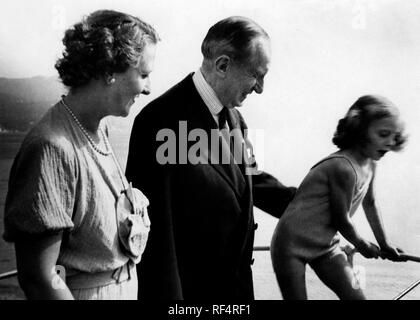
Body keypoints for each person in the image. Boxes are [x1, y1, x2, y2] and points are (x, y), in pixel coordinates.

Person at [125, 16, 296, 300]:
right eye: (256, 74)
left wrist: (316, 203)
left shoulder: (235, 120)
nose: (261, 88)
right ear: (223, 65)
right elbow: (157, 241)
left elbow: (250, 181)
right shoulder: (159, 121)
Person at [3, 10, 159, 300]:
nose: (148, 88)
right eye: (143, 75)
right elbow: (39, 277)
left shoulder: (99, 130)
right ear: (109, 70)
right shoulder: (52, 146)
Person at [270, 95, 408, 300]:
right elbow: (341, 219)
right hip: (291, 244)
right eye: (383, 134)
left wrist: (384, 244)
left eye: (394, 136)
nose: (390, 142)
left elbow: (370, 204)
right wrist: (362, 245)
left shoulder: (371, 165)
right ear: (360, 130)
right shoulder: (342, 167)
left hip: (326, 245)